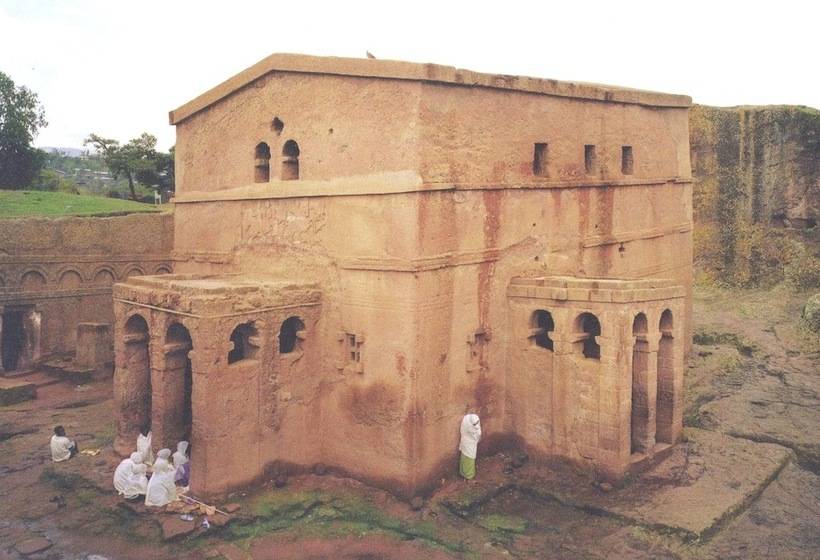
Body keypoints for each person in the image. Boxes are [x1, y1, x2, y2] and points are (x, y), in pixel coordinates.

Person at [458, 413, 481, 480]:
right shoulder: (467, 423)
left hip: (470, 443)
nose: (476, 425)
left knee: (467, 456)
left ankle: (463, 473)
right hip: (467, 443)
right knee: (470, 457)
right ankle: (469, 475)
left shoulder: (467, 419)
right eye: (474, 424)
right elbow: (477, 435)